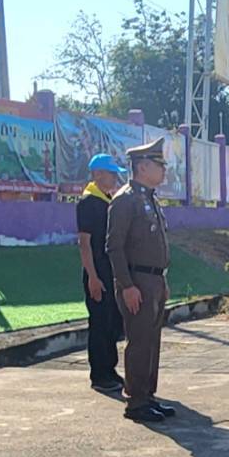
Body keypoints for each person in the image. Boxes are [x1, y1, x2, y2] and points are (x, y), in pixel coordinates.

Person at [106, 137, 176, 424]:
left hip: (154, 280)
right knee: (139, 341)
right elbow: (114, 247)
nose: (163, 170)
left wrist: (161, 280)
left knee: (151, 341)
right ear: (143, 166)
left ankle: (147, 396)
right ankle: (135, 401)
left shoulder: (148, 199)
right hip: (137, 280)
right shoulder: (125, 200)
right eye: (159, 165)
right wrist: (127, 285)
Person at [78, 153, 127, 394]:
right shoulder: (88, 202)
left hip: (110, 271)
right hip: (97, 272)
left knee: (112, 322)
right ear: (98, 174)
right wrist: (93, 277)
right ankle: (99, 374)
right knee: (99, 324)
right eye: (111, 174)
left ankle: (110, 369)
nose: (115, 178)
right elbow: (84, 243)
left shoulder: (108, 201)